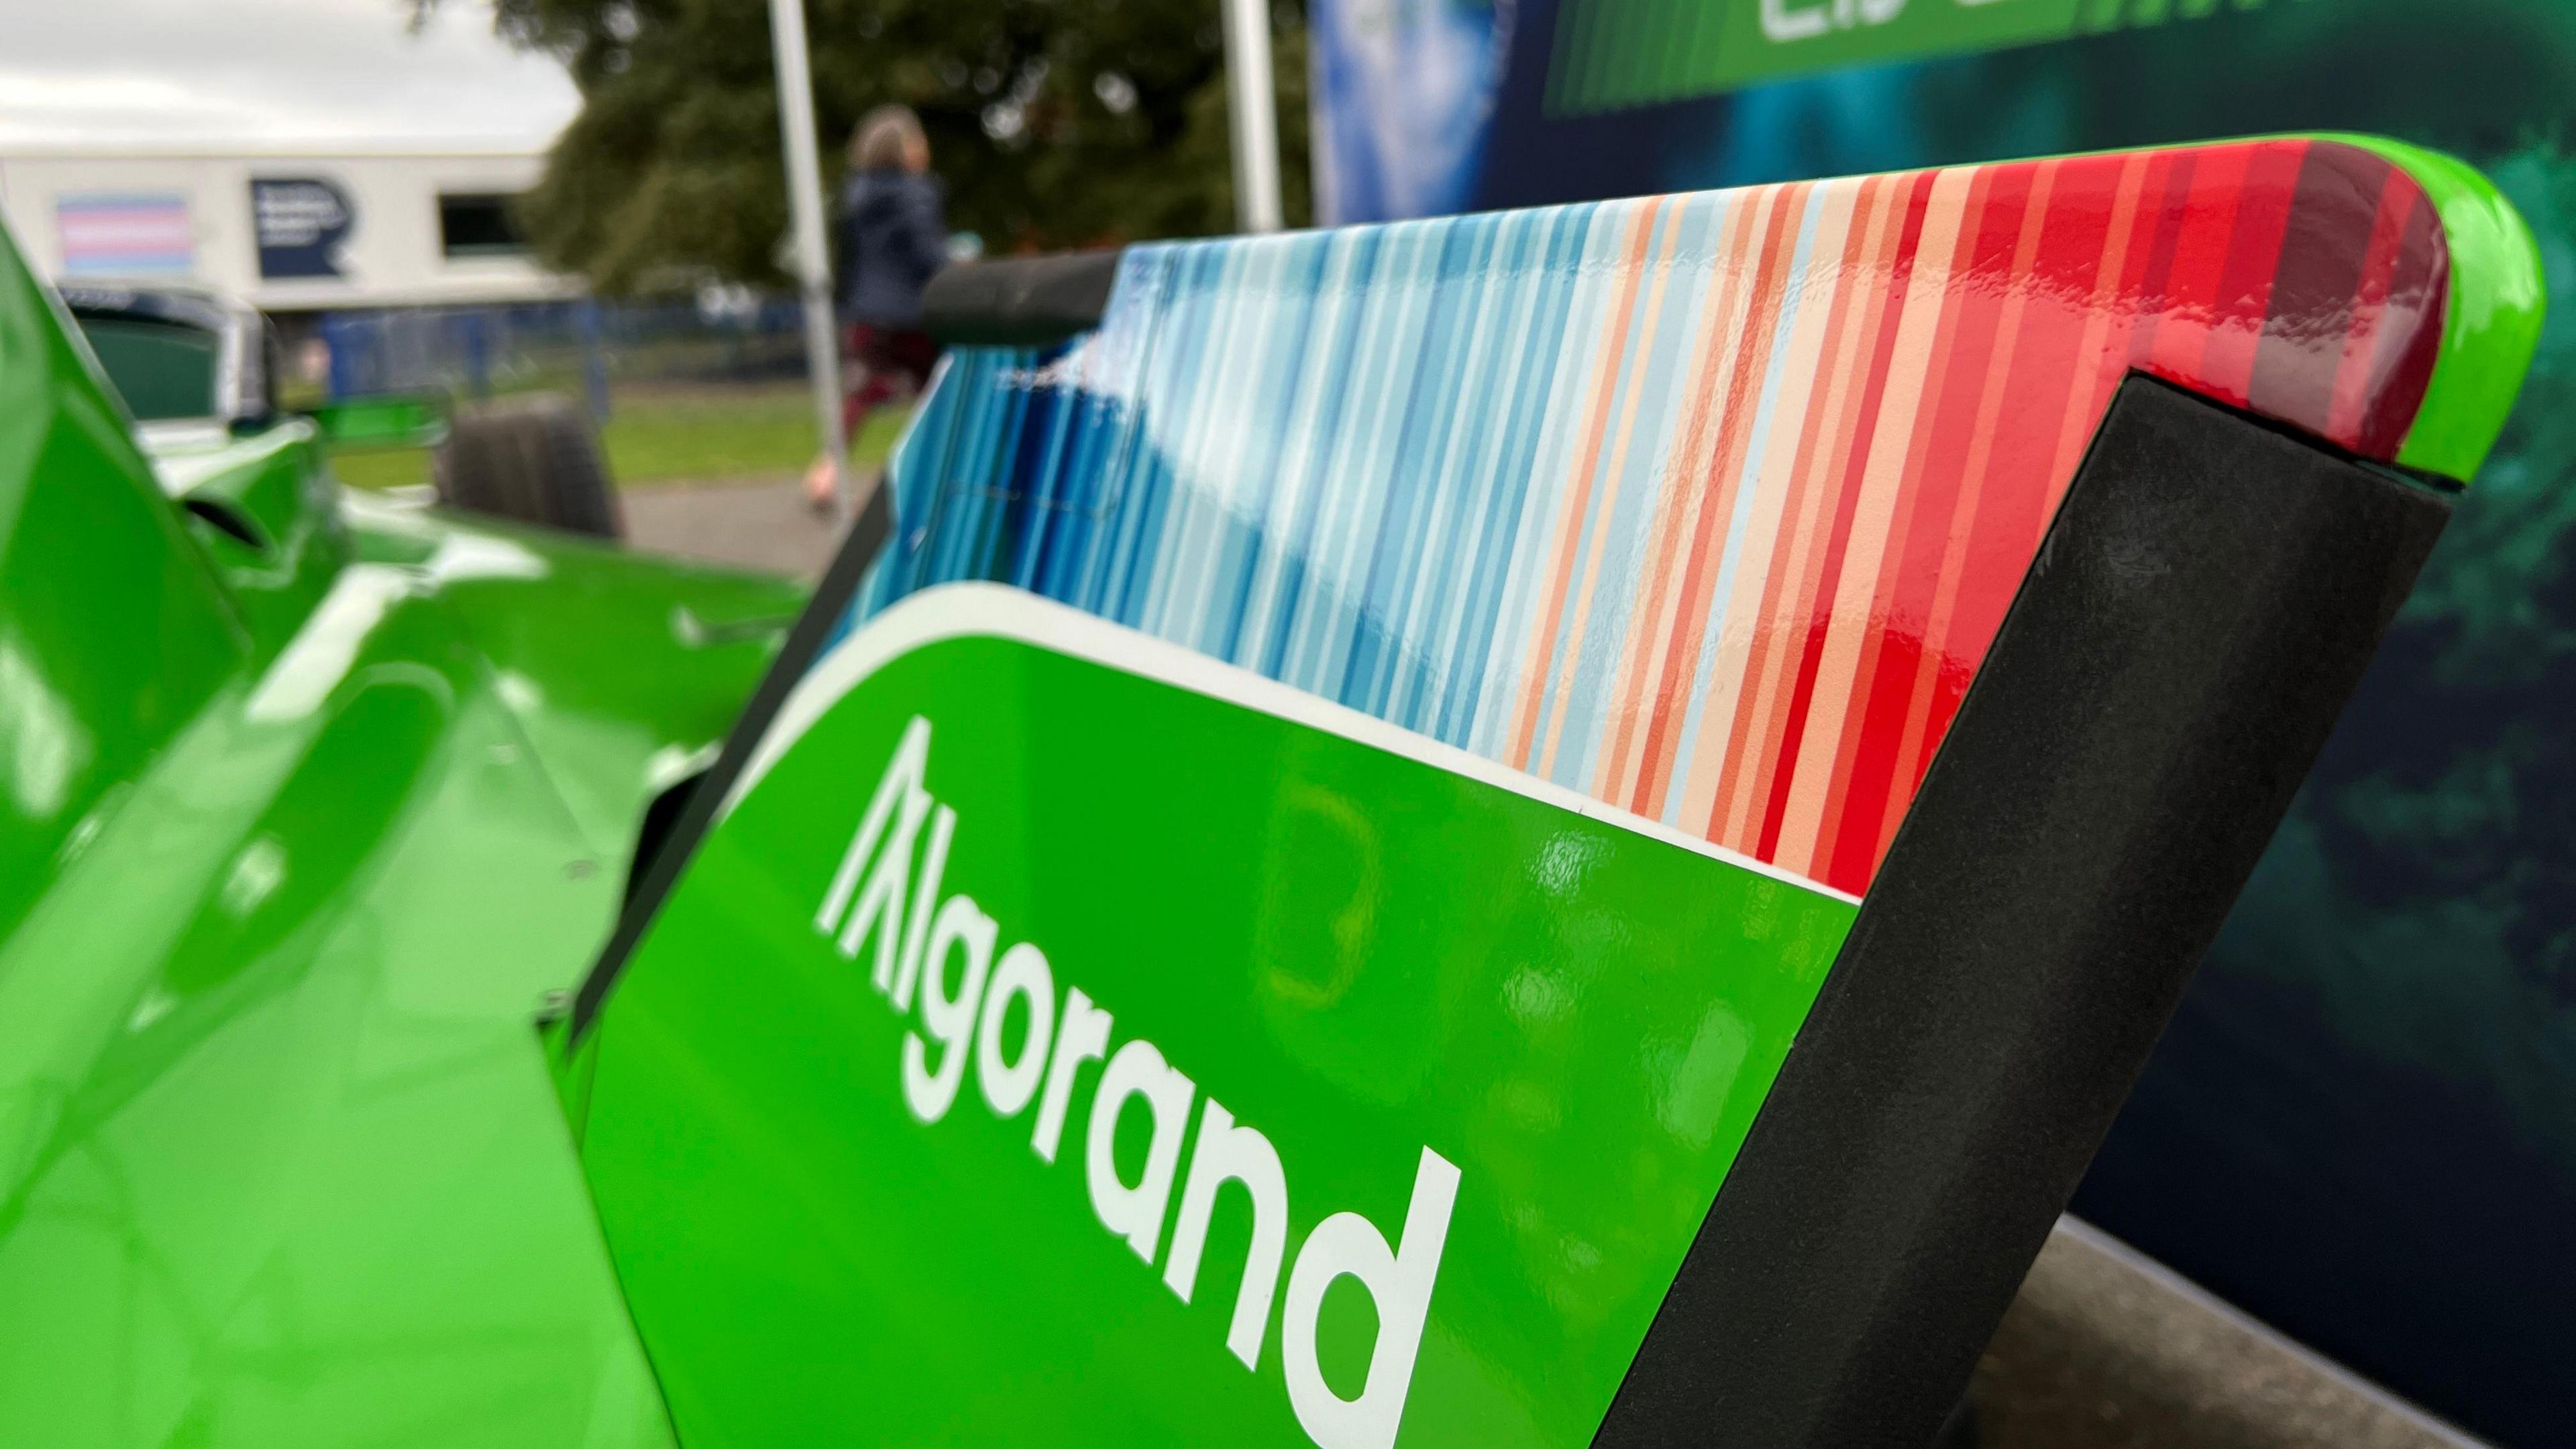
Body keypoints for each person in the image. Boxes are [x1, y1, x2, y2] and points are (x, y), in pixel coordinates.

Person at [806, 104, 949, 509]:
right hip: (912, 316)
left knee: (865, 391)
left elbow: (851, 260)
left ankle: (826, 471)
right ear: (908, 150)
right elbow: (928, 257)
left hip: (867, 314)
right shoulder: (915, 193)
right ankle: (925, 474)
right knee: (941, 389)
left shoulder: (856, 197)